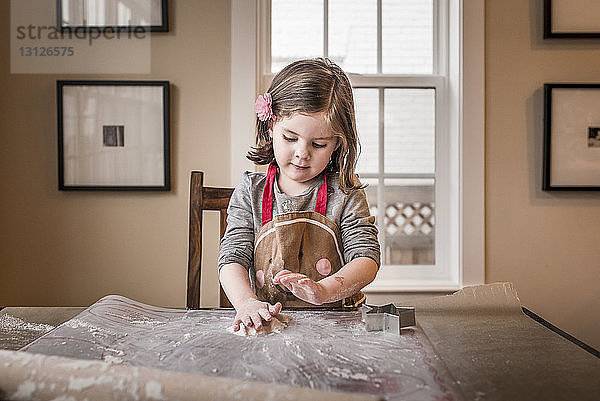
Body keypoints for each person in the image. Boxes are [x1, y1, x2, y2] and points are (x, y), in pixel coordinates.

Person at [218, 58, 380, 332]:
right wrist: (246, 303)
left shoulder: (345, 193)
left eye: (318, 144)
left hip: (339, 326)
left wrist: (325, 291)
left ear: (337, 144)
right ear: (270, 128)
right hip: (270, 323)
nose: (302, 153)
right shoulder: (250, 191)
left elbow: (366, 258)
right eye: (290, 138)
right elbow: (233, 256)